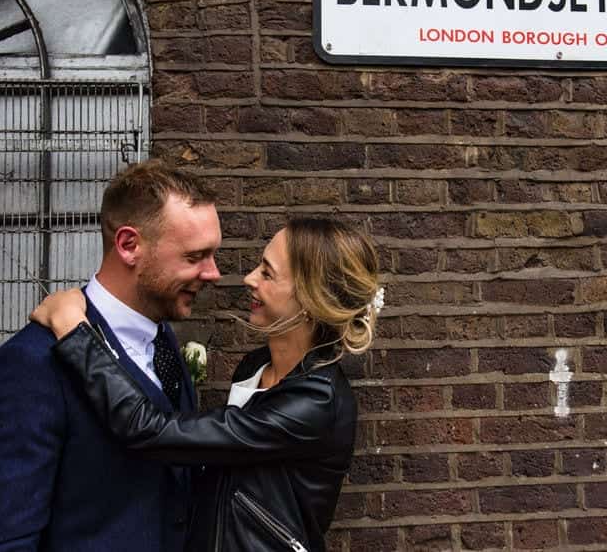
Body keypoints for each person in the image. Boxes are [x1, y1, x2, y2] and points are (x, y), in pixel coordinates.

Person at [29, 216, 380, 552]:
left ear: (309, 299)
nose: (249, 279)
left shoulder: (316, 402)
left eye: (267, 274)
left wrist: (75, 332)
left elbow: (150, 431)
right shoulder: (256, 365)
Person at [0, 160, 222, 551]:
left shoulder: (165, 342)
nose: (213, 272)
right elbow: (1, 542)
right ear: (129, 245)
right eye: (194, 257)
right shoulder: (30, 368)